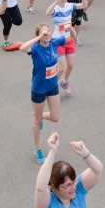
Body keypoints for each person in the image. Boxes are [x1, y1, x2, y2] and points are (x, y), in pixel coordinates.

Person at [20, 25, 68, 162]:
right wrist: (38, 38)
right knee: (37, 120)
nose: (47, 34)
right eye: (43, 33)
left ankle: (40, 116)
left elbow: (72, 37)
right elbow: (22, 48)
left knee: (55, 117)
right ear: (39, 36)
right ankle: (37, 149)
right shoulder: (35, 49)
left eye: (48, 31)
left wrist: (70, 29)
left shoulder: (54, 43)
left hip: (52, 87)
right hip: (39, 89)